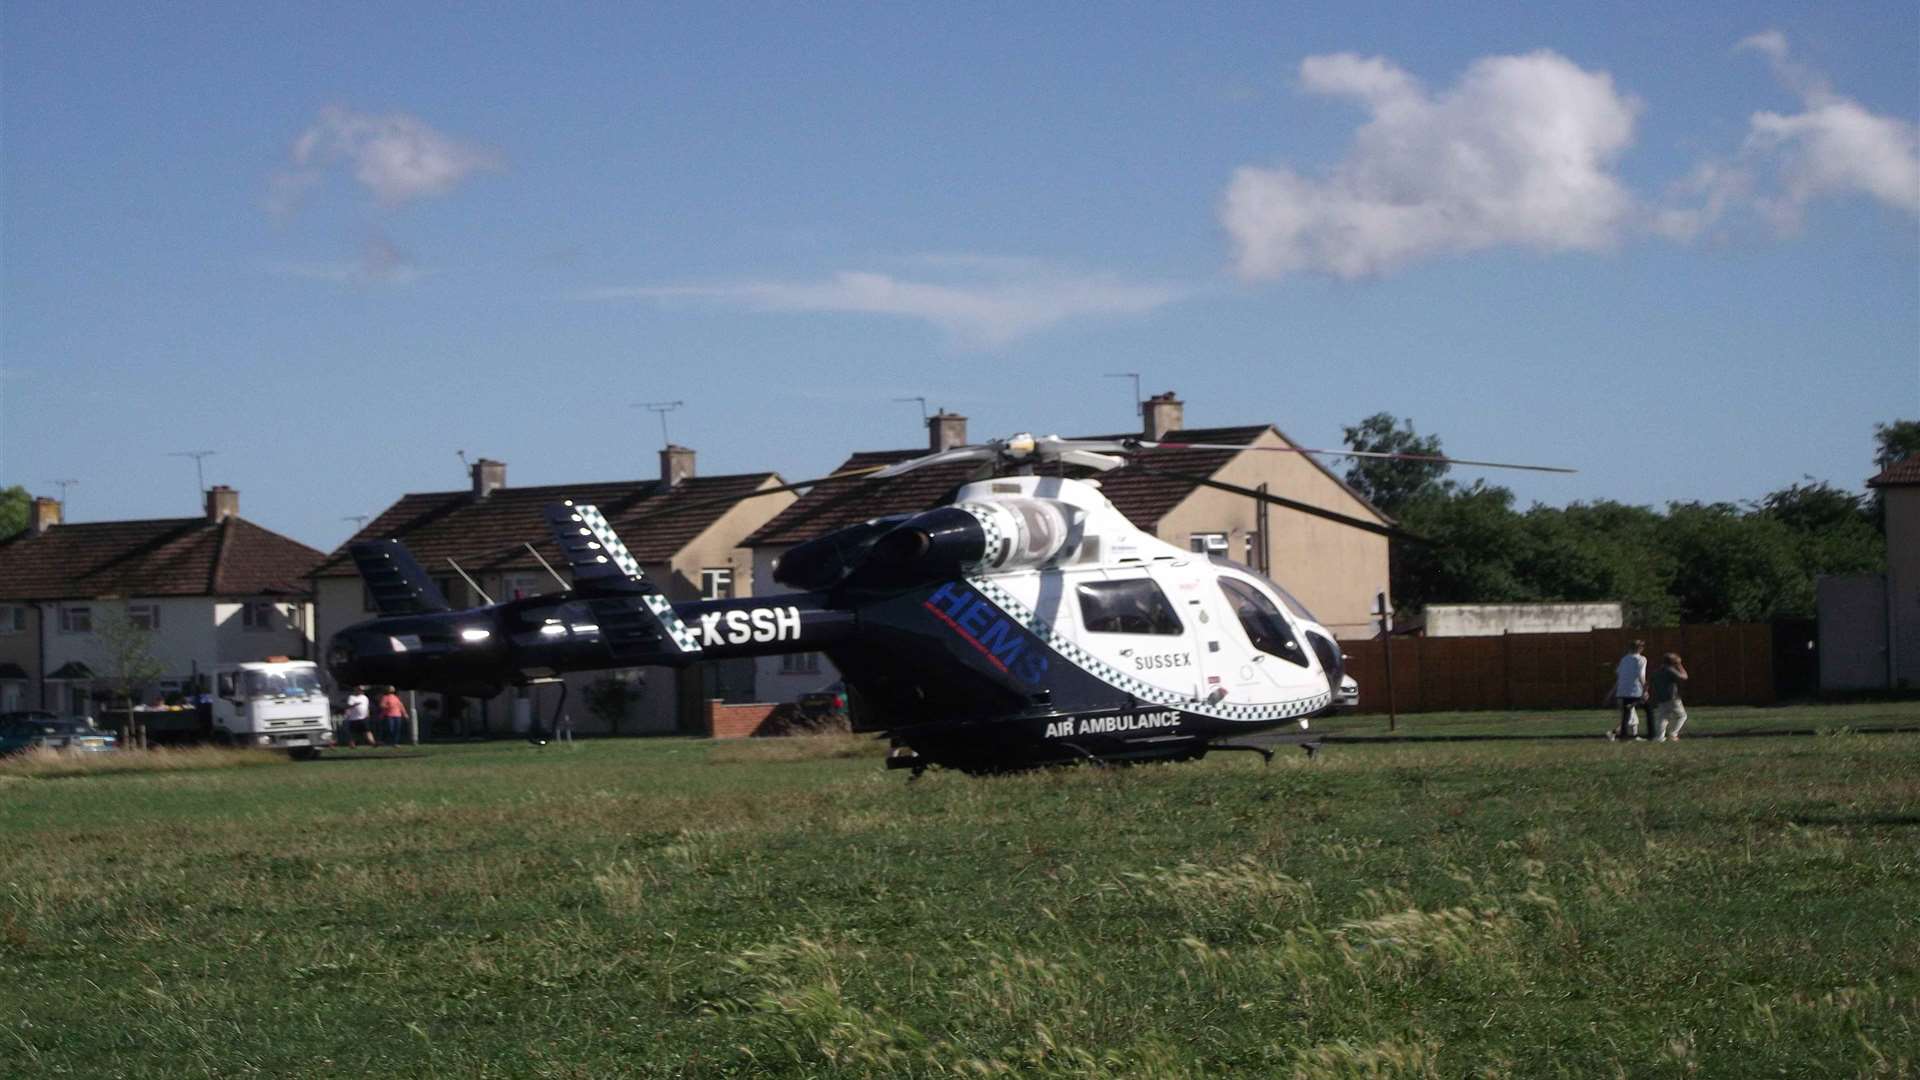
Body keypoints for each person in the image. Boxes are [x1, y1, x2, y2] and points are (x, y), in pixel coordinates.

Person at [1611, 639, 1649, 741]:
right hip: (1635, 690)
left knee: (1630, 714)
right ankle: (1614, 733)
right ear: (1640, 648)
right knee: (1632, 714)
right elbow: (1641, 675)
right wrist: (1645, 689)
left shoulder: (1624, 659)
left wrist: (1613, 690)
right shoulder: (1641, 659)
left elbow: (1618, 673)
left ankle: (1634, 735)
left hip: (1622, 690)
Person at [1651, 653, 1690, 742]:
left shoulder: (1658, 671)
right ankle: (1673, 734)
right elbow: (1684, 677)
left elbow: (1651, 680)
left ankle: (1659, 737)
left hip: (1661, 698)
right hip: (1673, 698)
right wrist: (1680, 666)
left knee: (1663, 717)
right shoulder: (1670, 670)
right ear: (1673, 662)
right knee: (1682, 716)